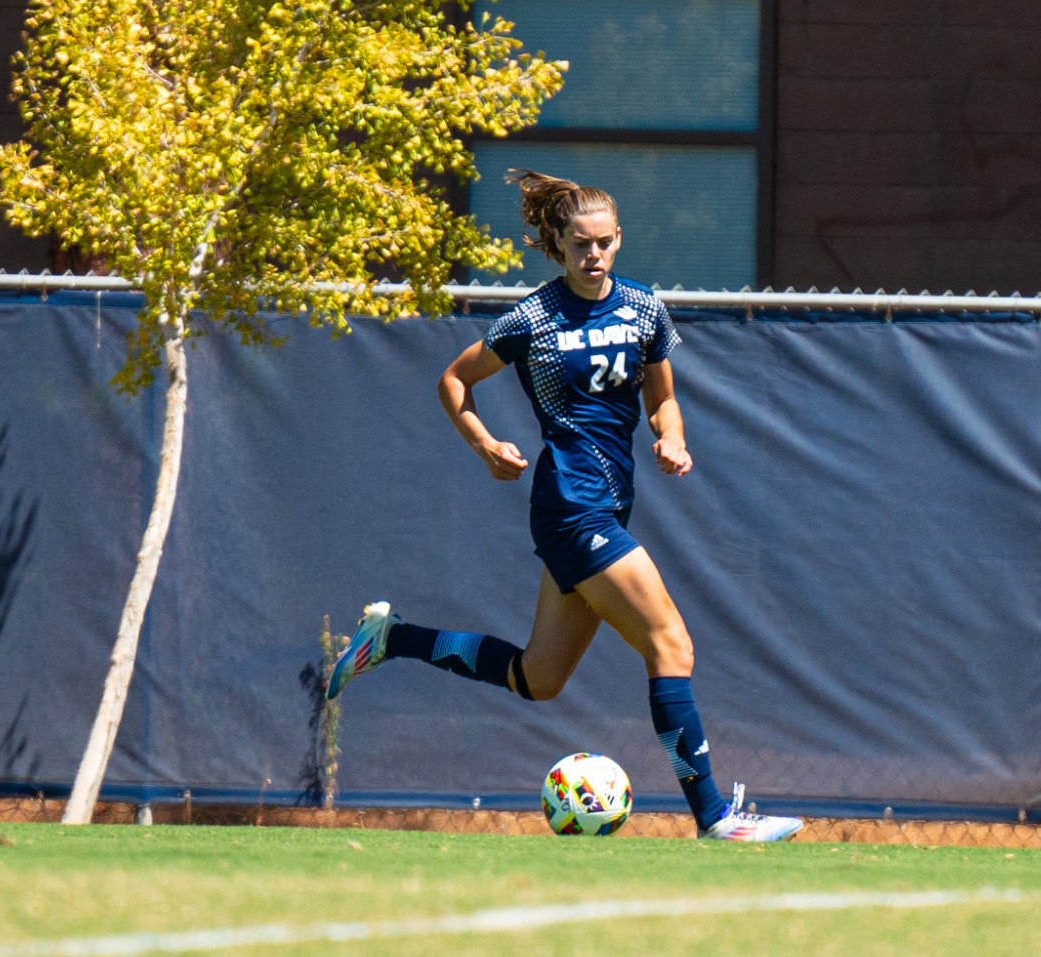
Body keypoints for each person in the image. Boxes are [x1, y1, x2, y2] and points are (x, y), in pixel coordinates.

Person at [327, 170, 802, 842]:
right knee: (670, 642)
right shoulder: (533, 317)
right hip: (572, 508)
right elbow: (454, 380)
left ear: (618, 241)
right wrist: (485, 444)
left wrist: (671, 437)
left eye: (604, 242)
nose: (593, 255)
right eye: (580, 243)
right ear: (555, 241)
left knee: (538, 676)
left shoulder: (642, 308)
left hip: (605, 509)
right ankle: (714, 817)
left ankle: (391, 638)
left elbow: (661, 398)